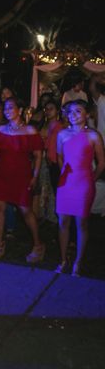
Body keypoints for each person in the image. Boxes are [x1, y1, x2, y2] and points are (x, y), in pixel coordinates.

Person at [0, 97, 45, 262]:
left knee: (25, 210)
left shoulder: (30, 131)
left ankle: (38, 244)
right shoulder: (0, 131)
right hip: (1, 175)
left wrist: (35, 176)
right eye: (5, 108)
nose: (7, 111)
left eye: (11, 107)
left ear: (20, 110)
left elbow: (38, 156)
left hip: (22, 176)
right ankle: (0, 242)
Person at [55, 100, 105, 276]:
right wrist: (64, 172)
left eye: (78, 111)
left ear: (87, 114)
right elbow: (60, 157)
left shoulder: (93, 135)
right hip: (65, 183)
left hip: (84, 183)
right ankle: (62, 260)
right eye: (70, 111)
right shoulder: (61, 134)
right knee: (62, 223)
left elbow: (102, 163)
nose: (73, 114)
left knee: (81, 223)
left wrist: (91, 178)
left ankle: (78, 262)